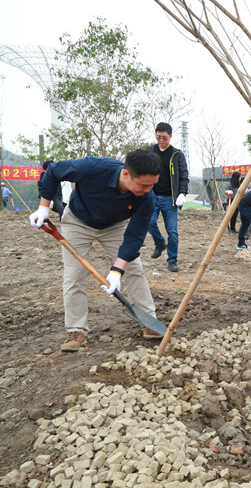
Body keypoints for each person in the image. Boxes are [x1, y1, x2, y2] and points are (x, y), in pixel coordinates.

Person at [29, 149, 163, 351]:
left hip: (115, 226)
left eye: (152, 185)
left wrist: (116, 271)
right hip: (78, 222)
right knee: (74, 274)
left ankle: (149, 322)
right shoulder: (94, 167)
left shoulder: (146, 197)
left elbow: (134, 238)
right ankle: (76, 329)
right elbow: (54, 171)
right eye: (144, 185)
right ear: (126, 174)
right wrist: (44, 207)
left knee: (134, 269)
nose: (148, 190)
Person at [148, 122, 189, 273]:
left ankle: (172, 260)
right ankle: (159, 243)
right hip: (151, 196)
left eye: (164, 137)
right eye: (158, 137)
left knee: (172, 230)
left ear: (170, 136)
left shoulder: (177, 155)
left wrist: (182, 192)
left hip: (169, 199)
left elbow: (184, 175)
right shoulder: (150, 151)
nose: (161, 140)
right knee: (149, 222)